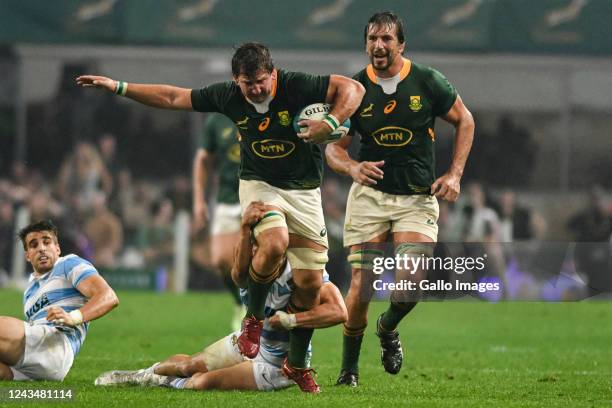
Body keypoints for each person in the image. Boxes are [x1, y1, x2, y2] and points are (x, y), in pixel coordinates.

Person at [76, 42, 364, 393]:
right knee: (274, 243)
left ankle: (296, 363)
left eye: (261, 81)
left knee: (308, 283)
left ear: (273, 73)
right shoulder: (228, 97)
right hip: (259, 185)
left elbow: (354, 88)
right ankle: (253, 322)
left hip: (304, 191)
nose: (256, 89)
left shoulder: (297, 85)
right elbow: (172, 97)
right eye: (248, 83)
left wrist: (331, 122)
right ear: (235, 80)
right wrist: (119, 86)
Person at [325, 12, 475, 386]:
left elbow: (465, 120)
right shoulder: (354, 88)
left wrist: (454, 174)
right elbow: (333, 149)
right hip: (370, 198)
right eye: (373, 38)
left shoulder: (426, 80)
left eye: (387, 39)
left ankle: (387, 327)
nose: (379, 45)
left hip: (417, 198)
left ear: (401, 44)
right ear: (365, 43)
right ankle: (349, 371)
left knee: (411, 284)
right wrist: (351, 168)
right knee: (361, 286)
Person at [94, 202, 347, 392]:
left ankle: (167, 382)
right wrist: (245, 228)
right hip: (246, 343)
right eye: (256, 245)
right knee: (187, 366)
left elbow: (339, 311)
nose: (260, 252)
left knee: (201, 383)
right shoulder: (248, 269)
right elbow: (237, 274)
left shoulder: (301, 273)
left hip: (275, 365)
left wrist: (292, 321)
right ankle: (142, 375)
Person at [0, 220, 119, 381]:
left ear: (57, 249)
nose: (41, 248)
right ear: (28, 255)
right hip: (42, 365)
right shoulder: (29, 291)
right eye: (34, 245)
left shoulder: (68, 264)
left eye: (47, 242)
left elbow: (108, 296)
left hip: (57, 345)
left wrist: (74, 317)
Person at [193, 113, 245, 330]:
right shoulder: (218, 119)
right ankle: (241, 302)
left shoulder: (268, 108)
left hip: (262, 194)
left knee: (263, 257)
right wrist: (199, 200)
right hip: (228, 197)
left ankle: (262, 311)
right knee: (221, 260)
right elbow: (203, 159)